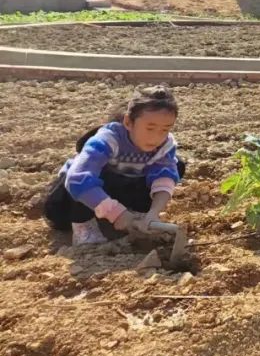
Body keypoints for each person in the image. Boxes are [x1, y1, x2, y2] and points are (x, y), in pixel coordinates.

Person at [44, 85, 185, 246]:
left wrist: (154, 212)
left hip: (121, 187)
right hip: (73, 197)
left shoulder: (165, 145)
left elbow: (164, 177)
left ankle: (135, 215)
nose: (156, 137)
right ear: (128, 122)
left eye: (164, 129)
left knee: (176, 165)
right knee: (88, 180)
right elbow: (78, 179)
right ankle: (84, 226)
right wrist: (119, 215)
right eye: (150, 128)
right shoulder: (108, 140)